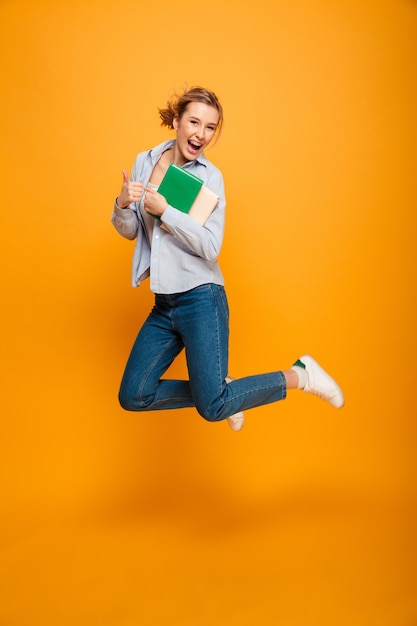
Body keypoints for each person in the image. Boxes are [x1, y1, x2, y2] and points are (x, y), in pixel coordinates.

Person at [111, 86, 344, 432]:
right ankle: (222, 389)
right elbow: (132, 231)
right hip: (164, 302)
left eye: (210, 127)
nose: (200, 134)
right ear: (176, 121)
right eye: (194, 122)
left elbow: (209, 247)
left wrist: (167, 212)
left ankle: (299, 375)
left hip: (201, 299)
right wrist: (121, 203)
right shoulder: (144, 162)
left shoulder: (210, 177)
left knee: (213, 406)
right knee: (134, 394)